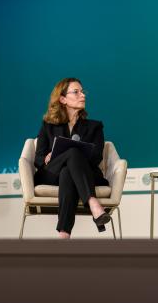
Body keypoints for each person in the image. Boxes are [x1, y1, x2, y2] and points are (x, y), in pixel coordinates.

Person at [33, 78, 111, 239]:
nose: (82, 95)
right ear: (62, 99)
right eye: (76, 92)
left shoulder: (95, 127)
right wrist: (48, 157)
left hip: (84, 172)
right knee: (72, 153)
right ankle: (93, 203)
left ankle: (64, 235)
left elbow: (96, 158)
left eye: (83, 92)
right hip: (51, 174)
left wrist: (73, 156)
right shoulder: (48, 125)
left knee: (68, 171)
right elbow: (38, 158)